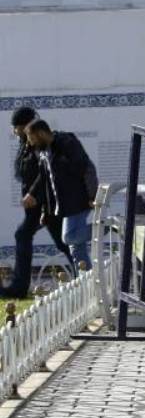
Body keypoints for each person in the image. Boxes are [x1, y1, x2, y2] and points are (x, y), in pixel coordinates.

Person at [0, 108, 74, 298]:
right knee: (60, 241)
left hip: (47, 201)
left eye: (16, 127)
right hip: (37, 204)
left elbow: (46, 172)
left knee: (57, 240)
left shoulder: (37, 142)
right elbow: (23, 172)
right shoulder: (25, 143)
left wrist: (33, 193)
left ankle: (19, 287)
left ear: (25, 125)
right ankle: (84, 276)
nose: (14, 131)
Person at [24, 119, 97, 271]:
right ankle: (86, 279)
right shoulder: (44, 151)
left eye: (32, 139)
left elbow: (86, 168)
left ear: (41, 133)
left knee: (69, 237)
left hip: (80, 199)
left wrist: (93, 196)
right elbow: (45, 180)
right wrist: (41, 206)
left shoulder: (67, 142)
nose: (30, 144)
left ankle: (106, 227)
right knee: (76, 248)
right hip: (66, 205)